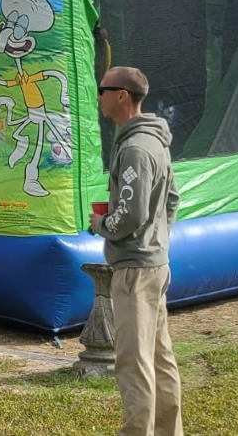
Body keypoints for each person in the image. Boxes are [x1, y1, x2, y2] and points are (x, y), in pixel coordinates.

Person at [90, 66, 183, 436]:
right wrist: (157, 238)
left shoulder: (133, 148)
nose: (99, 97)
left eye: (102, 90)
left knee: (133, 363)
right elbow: (172, 199)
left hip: (133, 271)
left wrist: (101, 226)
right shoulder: (156, 141)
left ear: (121, 96)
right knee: (160, 359)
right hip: (155, 265)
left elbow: (130, 214)